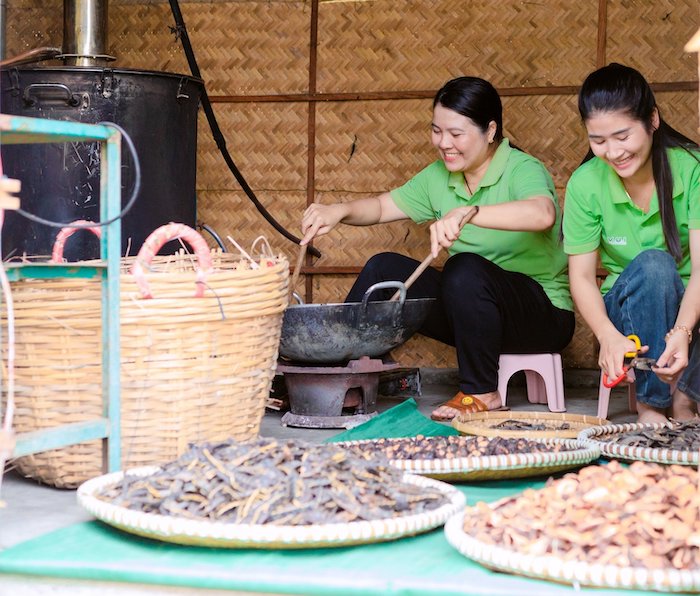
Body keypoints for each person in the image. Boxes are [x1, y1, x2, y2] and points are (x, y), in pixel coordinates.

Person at [300, 75, 574, 421]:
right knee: (383, 268)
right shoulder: (439, 177)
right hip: (473, 316)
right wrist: (339, 211)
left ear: (490, 131)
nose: (444, 143)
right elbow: (384, 207)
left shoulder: (522, 169)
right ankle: (337, 374)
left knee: (464, 269)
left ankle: (481, 393)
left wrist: (470, 212)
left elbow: (542, 213)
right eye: (437, 130)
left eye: (456, 134)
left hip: (540, 315)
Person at [563, 63, 700, 424]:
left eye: (623, 136)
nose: (612, 152)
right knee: (655, 266)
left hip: (691, 305)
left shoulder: (692, 169)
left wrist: (684, 331)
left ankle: (686, 399)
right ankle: (651, 406)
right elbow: (580, 276)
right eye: (598, 141)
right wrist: (607, 335)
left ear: (652, 120)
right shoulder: (585, 183)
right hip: (628, 309)